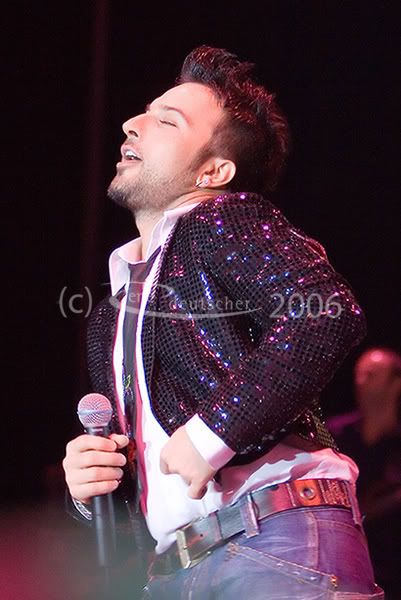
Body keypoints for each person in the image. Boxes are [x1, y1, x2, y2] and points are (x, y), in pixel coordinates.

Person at [63, 46, 383, 599]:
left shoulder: (219, 219)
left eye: (167, 121)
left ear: (213, 171)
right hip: (176, 568)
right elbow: (150, 493)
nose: (132, 124)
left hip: (272, 536)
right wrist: (91, 490)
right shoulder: (113, 307)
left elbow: (325, 313)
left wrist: (214, 432)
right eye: (144, 112)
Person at [328, 347, 401, 599]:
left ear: (396, 383)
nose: (361, 381)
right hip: (343, 566)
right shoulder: (334, 435)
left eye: (371, 374)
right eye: (359, 374)